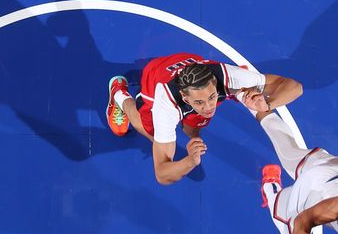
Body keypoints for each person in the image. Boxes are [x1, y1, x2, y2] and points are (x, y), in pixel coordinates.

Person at [106, 53, 303, 185]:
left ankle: (238, 92)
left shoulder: (225, 75)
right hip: (156, 77)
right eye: (200, 102)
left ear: (214, 83)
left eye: (211, 97)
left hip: (192, 65)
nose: (208, 107)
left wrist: (268, 104)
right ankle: (119, 93)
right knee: (147, 129)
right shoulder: (166, 105)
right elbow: (162, 174)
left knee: (194, 128)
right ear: (185, 98)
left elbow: (295, 87)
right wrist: (190, 161)